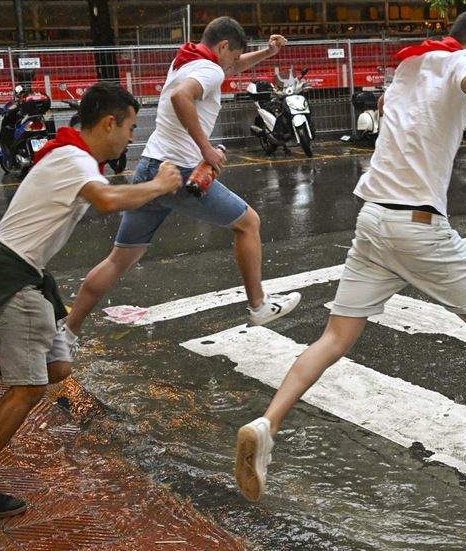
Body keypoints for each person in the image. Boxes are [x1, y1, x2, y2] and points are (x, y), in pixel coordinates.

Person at [232, 8, 466, 501]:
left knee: (334, 337)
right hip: (418, 225)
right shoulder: (457, 64)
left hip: (372, 220)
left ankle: (267, 424)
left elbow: (393, 107)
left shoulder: (412, 66)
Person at [0, 83, 183, 518]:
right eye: (129, 127)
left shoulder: (71, 155)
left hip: (20, 271)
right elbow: (108, 200)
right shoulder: (72, 158)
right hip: (10, 273)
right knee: (28, 387)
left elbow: (104, 193)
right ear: (109, 122)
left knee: (56, 368)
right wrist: (160, 185)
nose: (131, 137)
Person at [63, 18, 301, 341]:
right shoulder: (210, 70)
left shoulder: (187, 58)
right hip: (180, 173)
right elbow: (181, 97)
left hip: (150, 167)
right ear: (223, 47)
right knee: (249, 223)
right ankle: (258, 305)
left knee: (118, 259)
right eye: (233, 57)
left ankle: (68, 331)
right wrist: (207, 149)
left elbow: (225, 69)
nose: (232, 67)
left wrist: (266, 54)